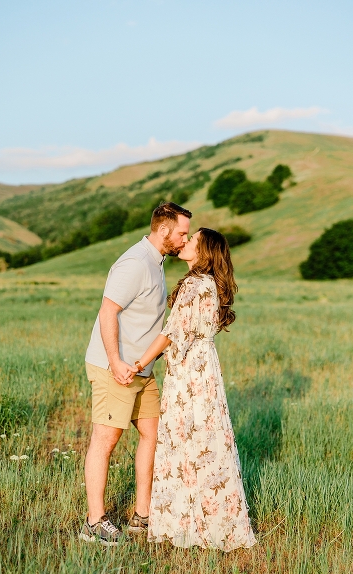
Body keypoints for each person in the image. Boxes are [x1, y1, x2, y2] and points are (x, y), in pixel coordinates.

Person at [132, 228, 256, 551]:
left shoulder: (193, 285)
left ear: (203, 253)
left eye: (193, 240)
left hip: (189, 373)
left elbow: (170, 333)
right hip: (206, 371)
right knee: (208, 441)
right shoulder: (211, 284)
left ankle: (186, 523)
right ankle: (215, 521)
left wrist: (139, 363)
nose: (185, 242)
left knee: (185, 440)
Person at [79, 202, 192, 546]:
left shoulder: (156, 262)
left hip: (142, 369)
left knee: (151, 434)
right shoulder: (135, 263)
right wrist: (115, 361)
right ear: (163, 230)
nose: (185, 240)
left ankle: (142, 515)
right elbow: (108, 311)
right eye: (182, 233)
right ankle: (94, 522)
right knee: (106, 439)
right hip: (116, 367)